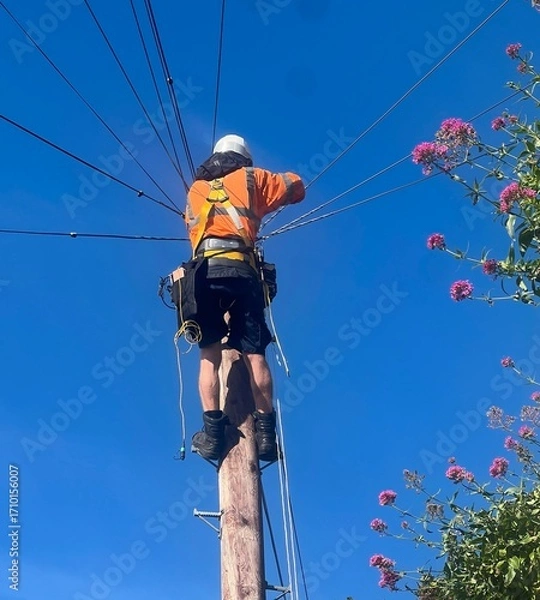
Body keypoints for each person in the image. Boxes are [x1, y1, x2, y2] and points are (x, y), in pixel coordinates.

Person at [182, 134, 305, 462]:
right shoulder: (254, 178)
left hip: (204, 274)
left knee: (209, 354)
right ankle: (266, 437)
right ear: (243, 159)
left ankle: (212, 436)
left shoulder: (194, 191)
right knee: (254, 355)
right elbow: (296, 187)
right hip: (242, 272)